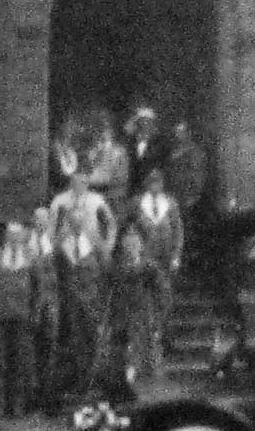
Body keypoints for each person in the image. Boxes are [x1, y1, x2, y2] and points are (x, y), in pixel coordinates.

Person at [105, 225, 167, 393]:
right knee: (123, 355)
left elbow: (162, 294)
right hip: (122, 318)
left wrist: (158, 317)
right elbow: (110, 294)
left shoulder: (150, 268)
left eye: (134, 245)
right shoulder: (116, 269)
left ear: (140, 247)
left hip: (144, 318)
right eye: (127, 246)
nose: (130, 249)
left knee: (146, 355)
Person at [0, 222, 37, 418]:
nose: (14, 239)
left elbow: (37, 287)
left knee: (19, 361)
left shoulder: (31, 257)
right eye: (11, 235)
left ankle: (17, 406)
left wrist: (33, 312)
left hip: (22, 315)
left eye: (18, 235)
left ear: (23, 237)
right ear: (6, 237)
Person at [58, 208, 109, 397]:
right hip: (72, 303)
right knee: (76, 343)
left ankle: (96, 384)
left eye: (79, 222)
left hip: (93, 302)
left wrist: (101, 300)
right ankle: (80, 384)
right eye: (73, 222)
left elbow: (106, 271)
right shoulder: (63, 246)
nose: (76, 225)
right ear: (69, 224)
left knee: (95, 342)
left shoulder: (94, 243)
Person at [129, 168, 184, 336]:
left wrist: (176, 256)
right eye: (151, 183)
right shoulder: (137, 203)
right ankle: (144, 335)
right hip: (145, 258)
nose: (155, 186)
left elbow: (178, 231)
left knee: (165, 296)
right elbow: (129, 229)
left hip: (165, 258)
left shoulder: (170, 203)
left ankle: (161, 332)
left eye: (158, 183)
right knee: (143, 298)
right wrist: (134, 254)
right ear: (146, 185)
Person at [28, 207, 63, 413]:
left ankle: (47, 395)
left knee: (50, 348)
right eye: (38, 219)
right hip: (31, 303)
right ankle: (30, 396)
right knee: (30, 348)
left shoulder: (55, 245)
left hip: (51, 302)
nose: (41, 223)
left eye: (44, 220)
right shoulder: (25, 244)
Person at [50, 173, 117, 262]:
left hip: (91, 239)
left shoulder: (97, 200)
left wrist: (109, 244)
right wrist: (51, 242)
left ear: (87, 184)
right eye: (75, 182)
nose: (79, 185)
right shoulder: (59, 200)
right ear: (71, 183)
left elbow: (111, 222)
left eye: (83, 183)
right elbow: (51, 224)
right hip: (66, 238)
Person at [83, 109, 131, 221]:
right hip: (92, 197)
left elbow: (122, 178)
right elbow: (85, 173)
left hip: (113, 198)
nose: (102, 133)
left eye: (106, 128)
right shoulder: (91, 152)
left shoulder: (120, 152)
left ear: (111, 132)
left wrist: (102, 183)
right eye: (100, 129)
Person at [164, 121, 208, 216]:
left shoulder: (195, 150)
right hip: (175, 193)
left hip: (188, 194)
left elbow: (197, 173)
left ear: (188, 133)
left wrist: (193, 194)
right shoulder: (173, 150)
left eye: (181, 131)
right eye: (176, 132)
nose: (178, 134)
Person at [124, 106, 168, 195]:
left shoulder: (159, 144)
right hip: (132, 190)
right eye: (141, 122)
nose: (144, 125)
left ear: (152, 125)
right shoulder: (130, 143)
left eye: (147, 122)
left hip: (151, 189)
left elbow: (161, 167)